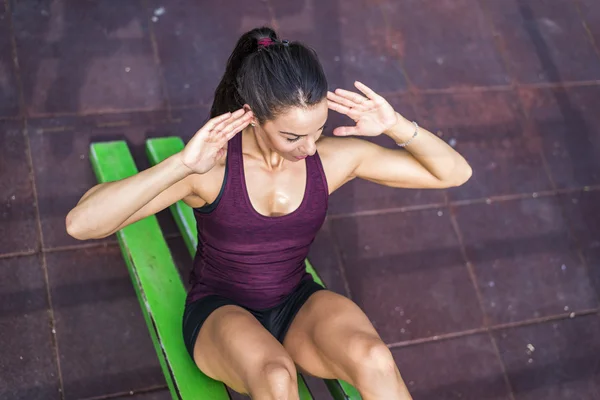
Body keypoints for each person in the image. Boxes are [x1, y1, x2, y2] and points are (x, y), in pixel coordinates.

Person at [66, 26, 471, 400]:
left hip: (295, 302)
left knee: (374, 358)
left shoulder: (331, 160)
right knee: (277, 378)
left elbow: (454, 173)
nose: (309, 148)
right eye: (293, 136)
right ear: (254, 116)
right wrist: (181, 166)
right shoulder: (212, 170)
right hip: (221, 312)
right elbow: (81, 224)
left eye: (318, 130)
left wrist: (396, 125)